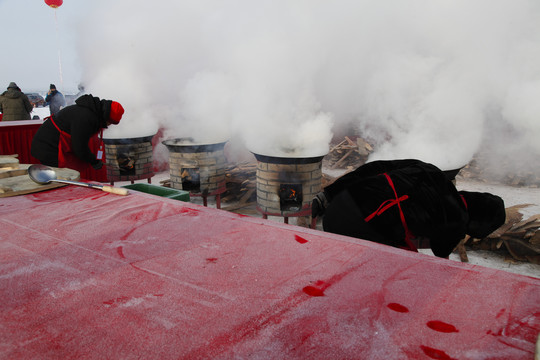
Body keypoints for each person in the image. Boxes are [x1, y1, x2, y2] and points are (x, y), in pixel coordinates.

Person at [311, 159, 506, 258]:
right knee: (405, 269)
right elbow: (440, 253)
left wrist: (329, 194)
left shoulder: (430, 170)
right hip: (355, 224)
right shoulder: (457, 220)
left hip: (338, 205)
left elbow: (374, 167)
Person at [31, 94, 124, 173]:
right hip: (49, 147)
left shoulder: (91, 111)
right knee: (61, 177)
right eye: (111, 122)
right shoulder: (86, 118)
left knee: (66, 174)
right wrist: (94, 161)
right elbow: (79, 147)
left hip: (50, 145)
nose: (109, 125)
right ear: (106, 117)